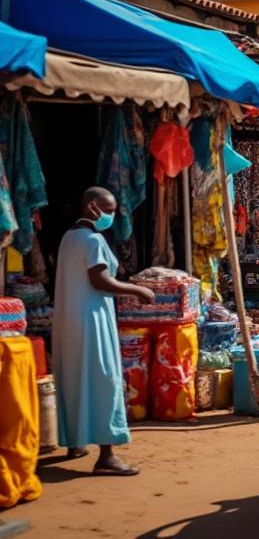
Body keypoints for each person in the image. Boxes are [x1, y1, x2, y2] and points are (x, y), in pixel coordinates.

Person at [52, 186, 155, 477]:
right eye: (108, 210)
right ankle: (107, 455)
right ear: (92, 207)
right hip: (92, 320)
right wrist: (137, 290)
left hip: (69, 320)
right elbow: (100, 281)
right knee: (104, 380)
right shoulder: (93, 239)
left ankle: (75, 443)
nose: (111, 216)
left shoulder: (69, 238)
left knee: (74, 378)